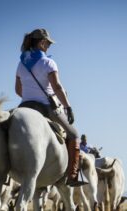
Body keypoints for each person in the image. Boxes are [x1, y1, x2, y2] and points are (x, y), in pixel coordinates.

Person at [15, 28, 86, 187]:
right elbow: (58, 88)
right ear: (41, 42)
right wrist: (68, 107)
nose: (49, 46)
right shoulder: (48, 62)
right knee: (74, 134)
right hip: (45, 107)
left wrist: (30, 96)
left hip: (24, 105)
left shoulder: (21, 63)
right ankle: (72, 176)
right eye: (48, 43)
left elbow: (18, 90)